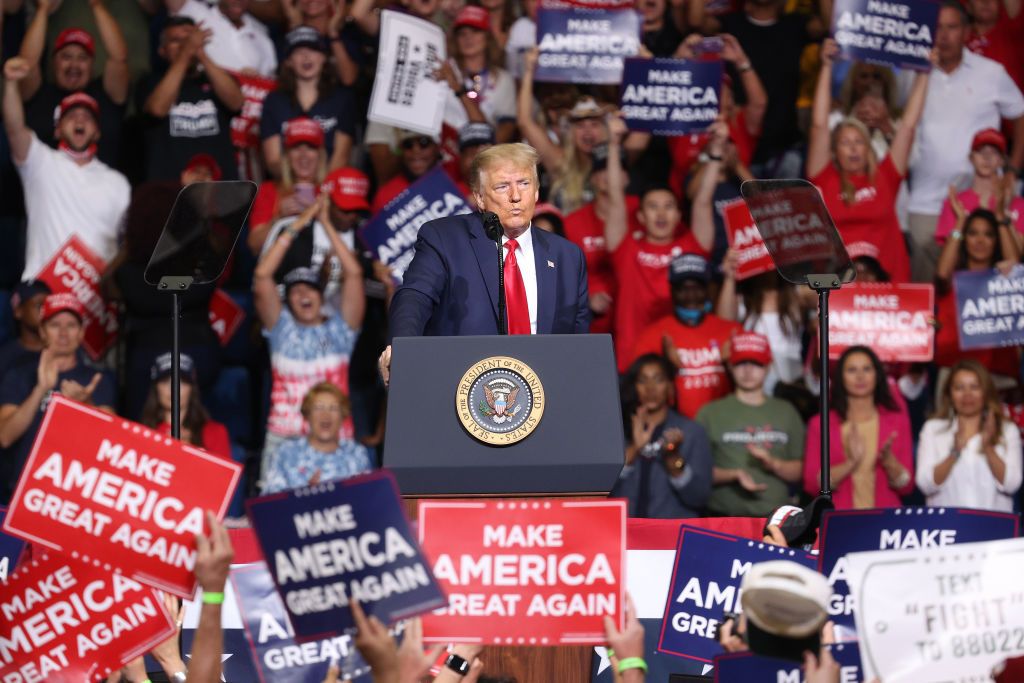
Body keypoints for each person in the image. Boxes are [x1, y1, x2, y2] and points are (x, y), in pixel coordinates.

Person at [379, 143, 590, 383]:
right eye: (502, 186)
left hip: (545, 393)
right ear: (479, 198)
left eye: (524, 183)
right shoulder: (444, 239)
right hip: (461, 387)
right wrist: (403, 347)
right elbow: (415, 296)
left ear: (537, 191)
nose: (516, 196)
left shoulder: (567, 257)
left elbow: (577, 342)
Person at [906, 0, 1024, 283]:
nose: (944, 35)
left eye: (952, 27)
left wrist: (1013, 170)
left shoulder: (991, 73)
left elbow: (1021, 117)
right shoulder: (913, 72)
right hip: (926, 199)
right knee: (931, 289)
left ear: (967, 31)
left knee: (988, 281)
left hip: (981, 200)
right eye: (938, 28)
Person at [254, 194, 364, 480]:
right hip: (284, 438)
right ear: (288, 300)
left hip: (337, 440)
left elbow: (353, 273)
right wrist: (301, 222)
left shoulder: (341, 329)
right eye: (295, 290)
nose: (303, 294)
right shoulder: (281, 328)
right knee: (274, 520)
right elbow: (263, 276)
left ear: (321, 295)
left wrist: (326, 223)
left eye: (310, 288)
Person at [807, 38, 931, 283]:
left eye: (859, 142)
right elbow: (819, 126)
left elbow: (907, 126)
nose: (853, 149)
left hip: (888, 287)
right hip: (840, 289)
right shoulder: (823, 178)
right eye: (845, 142)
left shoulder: (886, 177)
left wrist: (925, 72)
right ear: (835, 152)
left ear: (869, 150)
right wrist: (826, 66)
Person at [3, 58, 130, 280]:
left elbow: (127, 243)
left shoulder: (117, 182)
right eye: (71, 116)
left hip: (96, 298)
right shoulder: (40, 162)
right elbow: (14, 129)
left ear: (97, 132)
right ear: (58, 131)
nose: (79, 120)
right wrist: (11, 83)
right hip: (44, 293)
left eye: (87, 117)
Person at [606, 119, 714, 369]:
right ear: (641, 216)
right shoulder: (627, 249)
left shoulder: (692, 247)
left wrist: (716, 152)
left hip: (685, 360)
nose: (661, 214)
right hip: (630, 361)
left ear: (678, 215)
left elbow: (703, 201)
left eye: (668, 207)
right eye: (653, 207)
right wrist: (613, 144)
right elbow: (614, 196)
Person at [0, 294, 115, 503]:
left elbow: (114, 443)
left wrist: (86, 406)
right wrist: (40, 389)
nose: (63, 333)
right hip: (20, 489)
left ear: (81, 333)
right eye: (55, 325)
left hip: (70, 497)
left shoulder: (97, 380)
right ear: (42, 332)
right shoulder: (19, 373)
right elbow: (5, 436)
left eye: (71, 325)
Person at [697, 332, 805, 517]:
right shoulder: (709, 413)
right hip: (723, 518)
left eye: (756, 363)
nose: (748, 370)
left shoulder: (787, 411)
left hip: (776, 519)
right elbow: (697, 471)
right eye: (741, 363)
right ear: (730, 366)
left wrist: (774, 464)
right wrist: (733, 474)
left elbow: (802, 470)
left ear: (768, 367)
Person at [16, 0, 128, 166]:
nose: (74, 65)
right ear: (54, 62)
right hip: (45, 187)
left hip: (99, 187)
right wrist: (43, 9)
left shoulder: (106, 94)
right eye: (66, 57)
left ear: (92, 65)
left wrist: (97, 5)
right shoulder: (39, 94)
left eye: (82, 58)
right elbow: (27, 64)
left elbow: (119, 58)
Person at [802, 346, 914, 509]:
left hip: (886, 522)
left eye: (867, 369)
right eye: (852, 370)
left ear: (877, 375)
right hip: (839, 521)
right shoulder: (820, 424)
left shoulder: (897, 422)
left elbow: (907, 487)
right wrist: (850, 463)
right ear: (840, 377)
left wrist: (890, 463)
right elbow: (812, 485)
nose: (860, 376)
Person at [631, 253, 741, 417]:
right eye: (683, 289)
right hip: (676, 427)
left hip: (724, 425)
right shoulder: (652, 336)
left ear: (707, 289)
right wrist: (667, 367)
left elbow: (752, 388)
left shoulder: (731, 331)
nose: (691, 297)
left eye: (697, 288)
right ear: (672, 291)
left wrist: (732, 366)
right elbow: (638, 392)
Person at [137, 16, 243, 182]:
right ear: (162, 51)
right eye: (176, 41)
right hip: (170, 194)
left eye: (189, 40)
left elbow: (236, 102)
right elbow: (157, 109)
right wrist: (186, 53)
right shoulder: (150, 83)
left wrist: (201, 54)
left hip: (220, 193)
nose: (185, 45)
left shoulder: (215, 78)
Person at [613, 353, 713, 518]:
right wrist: (634, 448)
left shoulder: (691, 432)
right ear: (633, 386)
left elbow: (699, 497)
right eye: (642, 380)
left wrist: (673, 459)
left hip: (670, 533)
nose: (650, 388)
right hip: (625, 531)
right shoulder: (619, 430)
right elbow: (602, 491)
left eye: (658, 380)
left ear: (670, 386)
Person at [916, 360, 1023, 512]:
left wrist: (988, 447)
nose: (967, 394)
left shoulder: (1007, 430)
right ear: (949, 393)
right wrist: (954, 452)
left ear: (986, 392)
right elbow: (925, 484)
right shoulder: (933, 429)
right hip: (948, 529)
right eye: (959, 387)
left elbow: (1012, 484)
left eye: (974, 387)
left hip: (995, 530)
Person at [934, 205, 1020, 387]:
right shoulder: (952, 279)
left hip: (998, 375)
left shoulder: (1005, 279)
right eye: (973, 233)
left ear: (996, 241)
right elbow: (942, 273)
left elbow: (1015, 265)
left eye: (988, 234)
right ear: (964, 239)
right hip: (954, 373)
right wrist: (959, 222)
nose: (980, 240)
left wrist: (1000, 219)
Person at [260, 25, 356, 177]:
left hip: (328, 189)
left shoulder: (341, 99)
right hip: (286, 188)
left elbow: (341, 157)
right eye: (298, 52)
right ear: (288, 62)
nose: (306, 57)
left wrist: (319, 190)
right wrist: (299, 186)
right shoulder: (274, 101)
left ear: (323, 57)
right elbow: (273, 160)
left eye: (313, 50)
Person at [262, 382, 373, 493]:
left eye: (333, 408)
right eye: (318, 408)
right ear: (307, 414)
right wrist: (305, 496)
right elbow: (268, 504)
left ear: (343, 415)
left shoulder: (356, 454)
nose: (326, 415)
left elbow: (369, 500)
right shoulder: (285, 453)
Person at [935, 128, 1024, 247]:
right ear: (971, 158)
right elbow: (949, 250)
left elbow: (1019, 253)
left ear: (1002, 160)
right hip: (965, 265)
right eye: (980, 151)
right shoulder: (954, 203)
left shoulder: (1018, 204)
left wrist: (1004, 215)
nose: (986, 157)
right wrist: (961, 223)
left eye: (994, 152)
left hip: (1005, 265)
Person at [445, 6, 517, 143]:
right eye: (462, 33)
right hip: (445, 153)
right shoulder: (445, 70)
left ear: (488, 37)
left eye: (476, 31)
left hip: (483, 153)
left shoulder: (503, 79)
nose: (468, 38)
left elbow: (507, 127)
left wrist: (487, 153)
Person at [140, 352, 231, 458]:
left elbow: (221, 473)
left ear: (192, 389)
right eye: (165, 381)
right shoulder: (143, 433)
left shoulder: (215, 432)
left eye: (181, 382)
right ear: (156, 388)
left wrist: (190, 451)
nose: (173, 389)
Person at [167, 0, 277, 76]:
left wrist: (256, 80)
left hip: (248, 106)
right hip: (203, 102)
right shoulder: (197, 12)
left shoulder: (262, 35)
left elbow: (269, 83)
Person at [370, 129, 443, 214]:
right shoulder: (385, 195)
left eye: (424, 143)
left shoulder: (453, 184)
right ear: (401, 151)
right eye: (408, 145)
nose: (416, 151)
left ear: (437, 148)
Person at [0, 280, 50, 379]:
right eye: (39, 305)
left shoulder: (65, 350)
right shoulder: (5, 357)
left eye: (49, 306)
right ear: (18, 311)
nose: (45, 311)